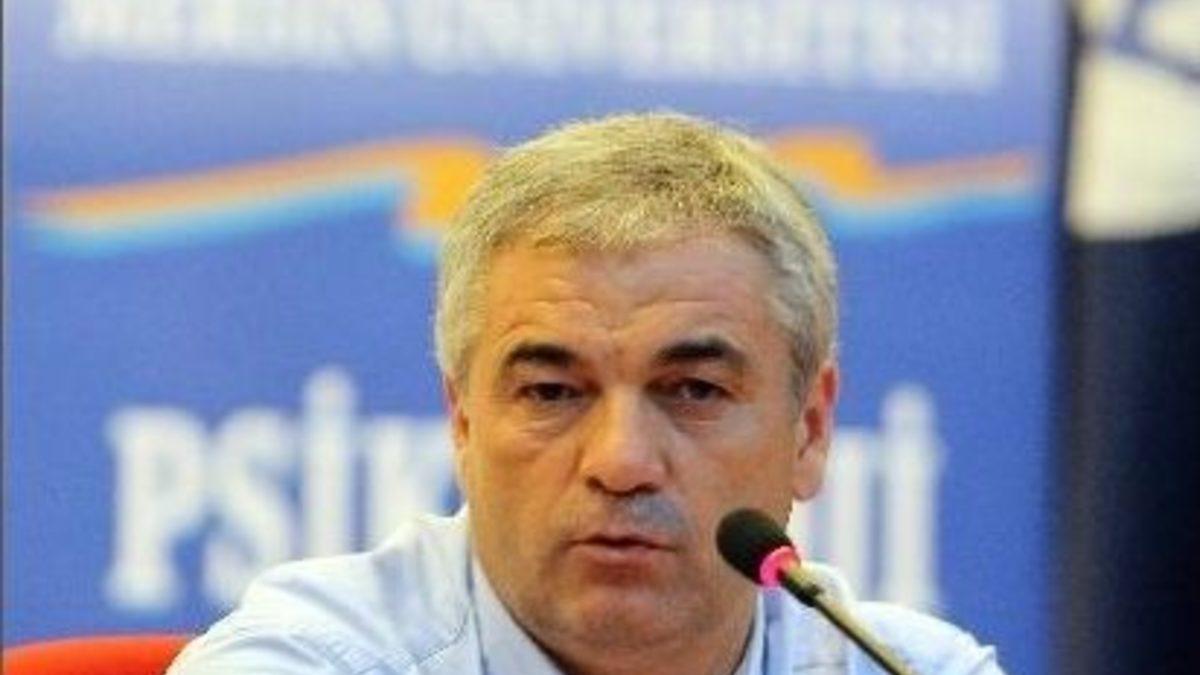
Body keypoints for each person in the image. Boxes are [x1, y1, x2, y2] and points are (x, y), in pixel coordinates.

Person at [168, 113, 1002, 674]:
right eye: (552, 391)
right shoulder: (309, 657)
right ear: (463, 421)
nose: (621, 461)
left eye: (693, 389)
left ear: (809, 429)